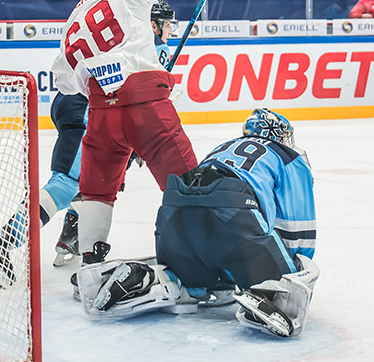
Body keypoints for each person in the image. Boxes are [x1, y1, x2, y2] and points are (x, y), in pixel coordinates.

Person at [51, 0, 242, 268]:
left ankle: (90, 264)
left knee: (97, 192)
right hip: (145, 105)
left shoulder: (75, 14)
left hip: (99, 114)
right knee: (186, 183)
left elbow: (64, 80)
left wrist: (104, 83)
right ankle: (210, 256)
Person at [0, 0, 182, 287]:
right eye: (167, 24)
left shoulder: (135, 37)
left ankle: (69, 238)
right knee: (69, 182)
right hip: (88, 109)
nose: (171, 30)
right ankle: (1, 241)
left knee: (100, 180)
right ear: (153, 24)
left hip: (84, 105)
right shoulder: (146, 43)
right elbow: (136, 92)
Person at [77, 109, 320, 339]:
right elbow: (298, 227)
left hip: (175, 209)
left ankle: (151, 278)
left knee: (197, 283)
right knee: (278, 284)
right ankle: (267, 292)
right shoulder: (288, 156)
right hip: (232, 209)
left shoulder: (222, 147)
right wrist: (291, 272)